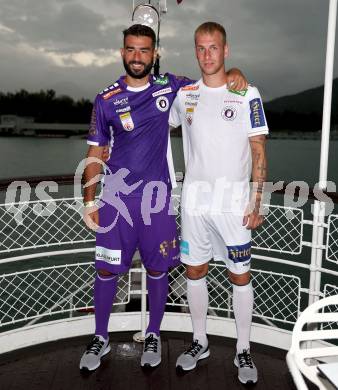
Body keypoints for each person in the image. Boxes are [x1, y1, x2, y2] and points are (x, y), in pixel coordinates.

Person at [79, 23, 247, 372]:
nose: (137, 57)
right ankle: (100, 337)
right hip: (117, 201)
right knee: (107, 270)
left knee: (158, 269)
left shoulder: (171, 86)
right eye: (131, 49)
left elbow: (210, 81)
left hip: (157, 200)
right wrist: (89, 200)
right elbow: (96, 153)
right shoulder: (105, 98)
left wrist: (235, 72)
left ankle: (153, 333)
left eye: (144, 50)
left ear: (154, 54)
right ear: (122, 52)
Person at [169, 22, 268, 385]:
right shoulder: (185, 95)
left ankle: (243, 348)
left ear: (226, 51)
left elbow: (259, 149)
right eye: (200, 48)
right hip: (194, 204)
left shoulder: (247, 93)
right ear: (195, 51)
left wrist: (257, 201)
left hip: (234, 206)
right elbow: (156, 118)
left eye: (214, 48)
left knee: (239, 276)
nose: (207, 55)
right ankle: (200, 342)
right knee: (194, 271)